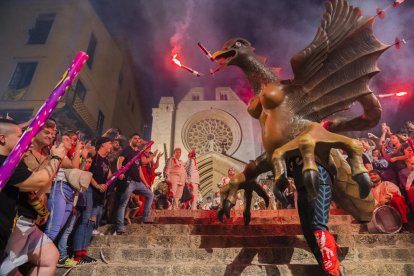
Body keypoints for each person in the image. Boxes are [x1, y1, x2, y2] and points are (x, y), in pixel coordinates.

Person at [0, 118, 67, 276]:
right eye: (19, 136)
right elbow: (38, 180)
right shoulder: (5, 163)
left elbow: (41, 185)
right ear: (2, 138)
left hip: (17, 222)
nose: (23, 139)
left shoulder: (13, 161)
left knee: (50, 257)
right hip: (18, 221)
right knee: (8, 268)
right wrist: (56, 158)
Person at [116, 133, 153, 235]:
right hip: (129, 181)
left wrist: (145, 183)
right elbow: (120, 161)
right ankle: (119, 227)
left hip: (137, 182)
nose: (137, 140)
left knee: (150, 194)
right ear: (130, 140)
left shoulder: (138, 153)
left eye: (138, 138)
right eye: (135, 138)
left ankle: (145, 217)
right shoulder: (127, 150)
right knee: (123, 203)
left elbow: (139, 169)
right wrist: (120, 172)